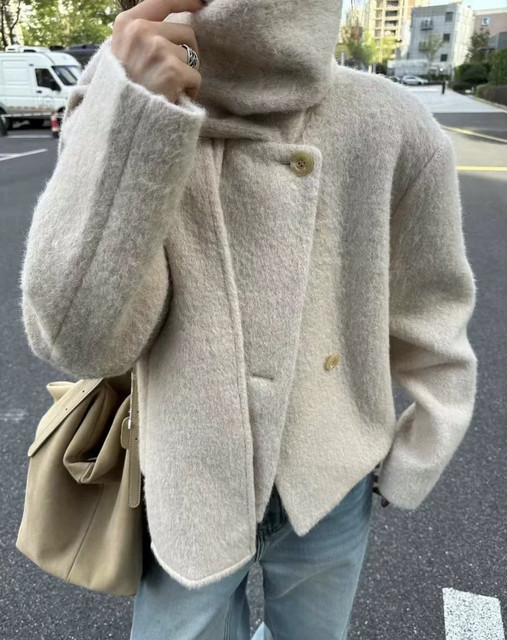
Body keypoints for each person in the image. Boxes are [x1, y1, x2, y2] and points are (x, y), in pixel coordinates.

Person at [19, 0, 478, 638]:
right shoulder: (117, 94)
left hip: (332, 476)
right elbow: (79, 340)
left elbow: (432, 305)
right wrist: (136, 114)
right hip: (187, 479)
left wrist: (422, 446)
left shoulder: (389, 122)